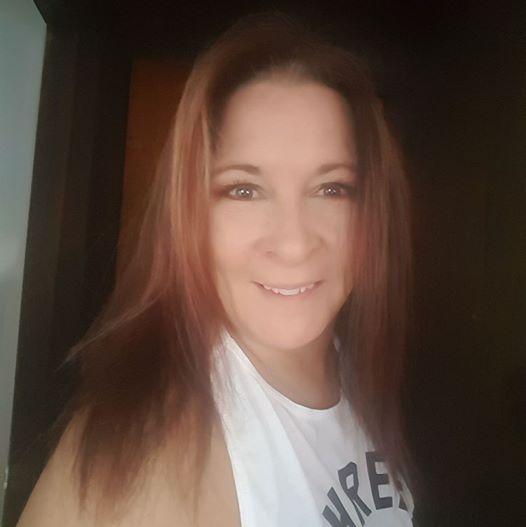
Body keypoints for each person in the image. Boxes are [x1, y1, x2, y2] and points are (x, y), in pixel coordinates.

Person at [17, 11, 419, 527]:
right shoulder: (152, 456)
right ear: (190, 215)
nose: (294, 244)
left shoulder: (351, 367)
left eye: (332, 188)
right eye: (244, 190)